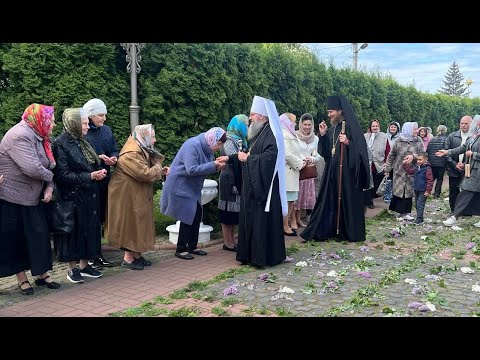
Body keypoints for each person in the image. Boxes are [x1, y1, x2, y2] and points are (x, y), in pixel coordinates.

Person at [0, 103, 60, 295]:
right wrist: (51, 179)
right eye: (50, 120)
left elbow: (49, 166)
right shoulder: (20, 135)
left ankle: (41, 273)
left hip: (33, 196)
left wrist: (50, 186)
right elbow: (32, 168)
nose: (54, 124)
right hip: (13, 197)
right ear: (39, 120)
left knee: (39, 237)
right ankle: (21, 278)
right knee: (16, 239)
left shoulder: (41, 136)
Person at [301, 95, 369, 243]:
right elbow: (326, 153)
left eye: (331, 111)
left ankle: (347, 232)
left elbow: (362, 152)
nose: (329, 114)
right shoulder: (333, 129)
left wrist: (349, 143)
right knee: (330, 202)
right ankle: (329, 230)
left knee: (346, 202)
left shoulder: (352, 128)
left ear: (340, 111)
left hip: (347, 176)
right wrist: (324, 136)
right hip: (332, 174)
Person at [52, 108, 107, 284]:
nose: (87, 127)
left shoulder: (82, 142)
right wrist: (90, 176)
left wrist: (99, 171)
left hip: (88, 195)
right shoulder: (60, 143)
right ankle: (72, 268)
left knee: (89, 230)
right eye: (84, 123)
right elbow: (62, 175)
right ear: (74, 123)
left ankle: (85, 265)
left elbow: (88, 164)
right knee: (73, 233)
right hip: (72, 197)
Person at [161, 127, 228, 260]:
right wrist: (213, 165)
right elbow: (191, 169)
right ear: (212, 139)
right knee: (187, 216)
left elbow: (205, 167)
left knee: (197, 215)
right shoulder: (192, 145)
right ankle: (180, 249)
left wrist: (216, 166)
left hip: (192, 187)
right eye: (219, 143)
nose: (219, 147)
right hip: (180, 185)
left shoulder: (207, 148)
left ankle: (192, 246)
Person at [236, 95, 287, 267]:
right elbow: (256, 154)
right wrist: (241, 158)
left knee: (261, 222)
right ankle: (249, 254)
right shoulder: (259, 133)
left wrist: (249, 159)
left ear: (262, 117)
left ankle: (261, 256)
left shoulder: (270, 133)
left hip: (265, 190)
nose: (250, 118)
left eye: (252, 114)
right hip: (254, 186)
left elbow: (269, 158)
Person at [106, 124, 167, 269]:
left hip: (134, 193)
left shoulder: (140, 148)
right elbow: (144, 173)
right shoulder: (131, 153)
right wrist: (158, 168)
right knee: (130, 224)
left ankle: (137, 255)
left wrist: (160, 170)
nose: (155, 140)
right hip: (126, 196)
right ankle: (128, 258)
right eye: (152, 137)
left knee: (139, 222)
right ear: (144, 137)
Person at [83, 98, 118, 268]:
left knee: (101, 218)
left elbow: (113, 147)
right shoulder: (83, 132)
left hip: (105, 179)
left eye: (104, 115)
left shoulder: (107, 131)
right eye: (100, 115)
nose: (103, 118)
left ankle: (98, 254)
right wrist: (97, 158)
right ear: (90, 115)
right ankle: (91, 255)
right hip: (89, 181)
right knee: (92, 219)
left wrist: (114, 157)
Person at [437, 115, 480, 227]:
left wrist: (473, 154)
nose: (476, 124)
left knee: (465, 191)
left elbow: (471, 152)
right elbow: (462, 148)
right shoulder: (474, 136)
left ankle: (454, 216)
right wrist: (447, 152)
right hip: (472, 169)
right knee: (476, 194)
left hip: (477, 171)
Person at [217, 115, 249, 252]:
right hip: (229, 179)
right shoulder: (229, 139)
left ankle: (232, 240)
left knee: (235, 210)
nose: (247, 127)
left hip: (237, 178)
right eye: (245, 124)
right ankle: (228, 242)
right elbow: (233, 158)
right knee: (227, 211)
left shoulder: (241, 140)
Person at [385, 122, 424, 220]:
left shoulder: (418, 140)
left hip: (412, 171)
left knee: (409, 192)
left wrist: (413, 156)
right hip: (399, 170)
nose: (417, 131)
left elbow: (423, 154)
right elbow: (391, 155)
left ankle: (406, 213)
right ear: (408, 129)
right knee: (399, 191)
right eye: (414, 129)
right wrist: (387, 169)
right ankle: (398, 212)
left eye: (417, 129)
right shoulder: (399, 140)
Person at [293, 113, 321, 227]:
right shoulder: (295, 136)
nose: (307, 127)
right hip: (297, 169)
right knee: (295, 196)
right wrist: (301, 160)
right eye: (305, 124)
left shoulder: (315, 139)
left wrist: (312, 158)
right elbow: (292, 152)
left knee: (302, 196)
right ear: (301, 124)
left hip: (308, 171)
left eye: (309, 125)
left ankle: (298, 219)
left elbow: (318, 154)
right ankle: (292, 220)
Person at [280, 112, 304, 235]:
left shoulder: (290, 133)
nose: (294, 123)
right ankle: (285, 227)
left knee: (290, 202)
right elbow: (287, 154)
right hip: (288, 173)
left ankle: (286, 224)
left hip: (293, 172)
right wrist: (301, 163)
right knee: (286, 202)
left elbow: (296, 151)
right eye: (293, 121)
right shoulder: (284, 134)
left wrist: (304, 159)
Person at [444, 115, 472, 212]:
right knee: (453, 191)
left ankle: (466, 211)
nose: (463, 125)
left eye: (466, 123)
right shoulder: (452, 136)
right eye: (462, 123)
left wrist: (464, 164)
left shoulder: (474, 137)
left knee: (466, 191)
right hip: (453, 169)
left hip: (468, 169)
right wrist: (455, 164)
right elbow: (446, 152)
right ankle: (454, 210)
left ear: (471, 124)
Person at [363, 119, 390, 208]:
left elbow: (388, 151)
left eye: (376, 126)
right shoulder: (365, 136)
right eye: (373, 126)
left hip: (379, 164)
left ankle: (372, 198)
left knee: (376, 183)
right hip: (367, 164)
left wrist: (387, 163)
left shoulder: (384, 137)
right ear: (370, 127)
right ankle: (368, 201)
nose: (375, 128)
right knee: (368, 183)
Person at [402, 151, 433, 225]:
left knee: (420, 204)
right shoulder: (417, 167)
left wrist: (428, 191)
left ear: (425, 160)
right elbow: (410, 172)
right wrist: (405, 165)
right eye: (417, 160)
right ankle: (420, 218)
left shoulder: (427, 169)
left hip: (423, 190)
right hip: (416, 189)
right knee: (416, 204)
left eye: (420, 160)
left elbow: (430, 180)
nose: (418, 161)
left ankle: (419, 219)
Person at [425, 125, 448, 198]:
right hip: (441, 162)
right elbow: (446, 151)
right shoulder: (446, 139)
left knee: (431, 178)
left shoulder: (432, 139)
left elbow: (428, 150)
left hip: (432, 162)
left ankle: (427, 192)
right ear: (445, 131)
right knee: (439, 179)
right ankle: (437, 194)